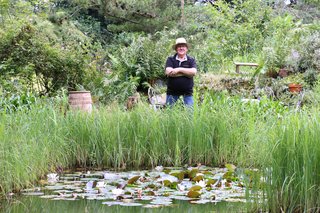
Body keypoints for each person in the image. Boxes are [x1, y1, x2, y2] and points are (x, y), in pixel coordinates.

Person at [165, 37, 197, 107]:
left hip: (187, 92)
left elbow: (193, 72)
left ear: (186, 49)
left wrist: (179, 69)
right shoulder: (170, 59)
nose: (181, 48)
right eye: (179, 46)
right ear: (176, 49)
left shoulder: (191, 60)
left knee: (190, 115)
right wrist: (187, 74)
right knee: (168, 114)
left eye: (183, 46)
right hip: (172, 92)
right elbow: (168, 72)